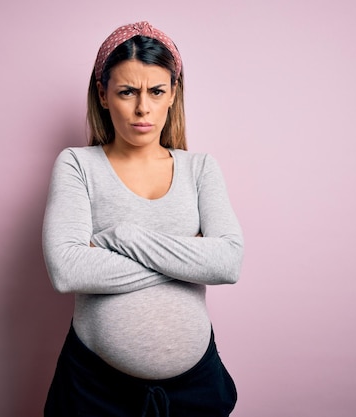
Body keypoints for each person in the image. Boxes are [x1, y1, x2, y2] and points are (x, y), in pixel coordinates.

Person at [42, 21, 244, 417]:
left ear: (173, 95)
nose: (142, 108)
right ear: (103, 95)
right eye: (126, 92)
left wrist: (121, 236)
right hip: (96, 389)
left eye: (156, 91)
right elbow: (66, 269)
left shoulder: (200, 169)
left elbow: (228, 262)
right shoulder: (77, 165)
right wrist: (189, 260)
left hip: (196, 388)